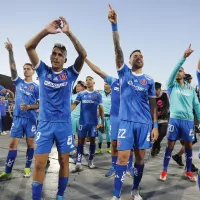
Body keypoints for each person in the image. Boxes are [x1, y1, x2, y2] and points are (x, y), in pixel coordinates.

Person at [25, 17, 87, 200]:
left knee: (63, 161)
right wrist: (45, 31)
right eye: (54, 53)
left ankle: (60, 195)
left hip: (64, 125)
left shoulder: (70, 74)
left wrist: (68, 33)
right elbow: (29, 47)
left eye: (60, 55)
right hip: (44, 124)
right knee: (39, 164)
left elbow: (83, 54)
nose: (56, 57)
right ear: (50, 56)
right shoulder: (43, 71)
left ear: (65, 59)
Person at [108, 5, 158, 200]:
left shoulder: (150, 80)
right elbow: (117, 50)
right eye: (134, 56)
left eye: (141, 55)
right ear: (128, 61)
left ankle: (135, 190)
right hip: (126, 123)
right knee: (122, 157)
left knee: (140, 159)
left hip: (144, 123)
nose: (138, 57)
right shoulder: (124, 73)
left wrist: (154, 125)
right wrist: (114, 27)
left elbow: (153, 105)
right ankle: (116, 195)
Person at [85, 58, 134, 178]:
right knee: (114, 143)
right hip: (115, 117)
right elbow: (98, 71)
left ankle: (129, 167)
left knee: (130, 144)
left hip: (128, 118)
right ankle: (114, 166)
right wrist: (85, 59)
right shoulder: (113, 81)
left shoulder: (133, 82)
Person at [159, 45, 200, 182]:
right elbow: (173, 72)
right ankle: (164, 171)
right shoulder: (171, 86)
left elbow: (196, 105)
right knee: (170, 145)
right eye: (177, 71)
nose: (178, 72)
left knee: (188, 146)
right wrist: (183, 58)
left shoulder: (190, 89)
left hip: (188, 121)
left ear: (184, 74)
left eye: (180, 71)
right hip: (174, 120)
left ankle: (188, 171)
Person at [0, 39, 39, 180]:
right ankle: (8, 171)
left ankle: (27, 167)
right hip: (18, 118)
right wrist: (10, 51)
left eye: (28, 68)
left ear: (33, 71)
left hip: (30, 119)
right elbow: (12, 67)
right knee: (12, 145)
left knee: (30, 144)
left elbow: (40, 105)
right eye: (24, 68)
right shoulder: (19, 82)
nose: (25, 70)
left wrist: (30, 106)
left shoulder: (36, 87)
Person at [71, 76, 104, 172]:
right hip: (83, 123)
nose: (88, 81)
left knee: (93, 142)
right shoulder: (81, 94)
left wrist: (102, 122)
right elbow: (74, 105)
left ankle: (91, 161)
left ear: (94, 82)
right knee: (80, 142)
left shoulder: (98, 95)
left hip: (93, 123)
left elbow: (101, 108)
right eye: (87, 80)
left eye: (90, 80)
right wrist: (67, 113)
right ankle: (78, 162)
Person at [172, 73, 198, 172]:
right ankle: (189, 165)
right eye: (189, 80)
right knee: (188, 143)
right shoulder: (180, 91)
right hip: (181, 121)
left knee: (191, 142)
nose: (190, 82)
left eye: (191, 80)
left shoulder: (190, 90)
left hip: (188, 121)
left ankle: (178, 156)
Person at [71, 81, 89, 157]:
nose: (77, 87)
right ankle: (71, 149)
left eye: (79, 86)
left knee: (82, 135)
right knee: (71, 134)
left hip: (82, 118)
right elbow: (70, 106)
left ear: (83, 87)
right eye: (77, 86)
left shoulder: (86, 95)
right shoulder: (72, 96)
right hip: (72, 117)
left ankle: (83, 148)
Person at [151, 82, 169, 156]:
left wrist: (162, 113)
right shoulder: (151, 96)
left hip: (163, 118)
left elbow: (166, 106)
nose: (155, 92)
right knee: (156, 135)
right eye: (154, 90)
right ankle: (157, 147)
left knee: (163, 133)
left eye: (156, 90)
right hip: (154, 119)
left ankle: (155, 146)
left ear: (159, 89)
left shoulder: (165, 95)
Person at [96, 82, 112, 154]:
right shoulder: (100, 94)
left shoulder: (114, 94)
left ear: (110, 85)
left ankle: (108, 148)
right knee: (100, 132)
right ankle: (99, 148)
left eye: (106, 84)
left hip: (110, 117)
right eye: (104, 84)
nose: (105, 85)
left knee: (109, 132)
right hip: (101, 117)